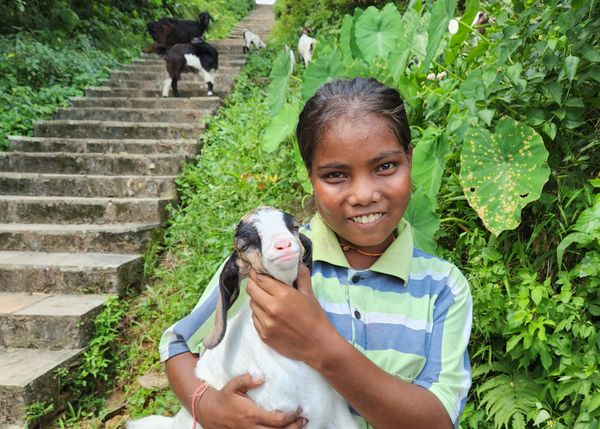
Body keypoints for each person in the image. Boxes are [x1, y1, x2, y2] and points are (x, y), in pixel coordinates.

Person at [159, 77, 472, 429]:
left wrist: (321, 345)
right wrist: (210, 408)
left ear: (410, 159)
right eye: (336, 175)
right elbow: (177, 345)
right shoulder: (269, 261)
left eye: (385, 166)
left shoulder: (443, 288)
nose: (364, 194)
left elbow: (438, 421)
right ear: (310, 176)